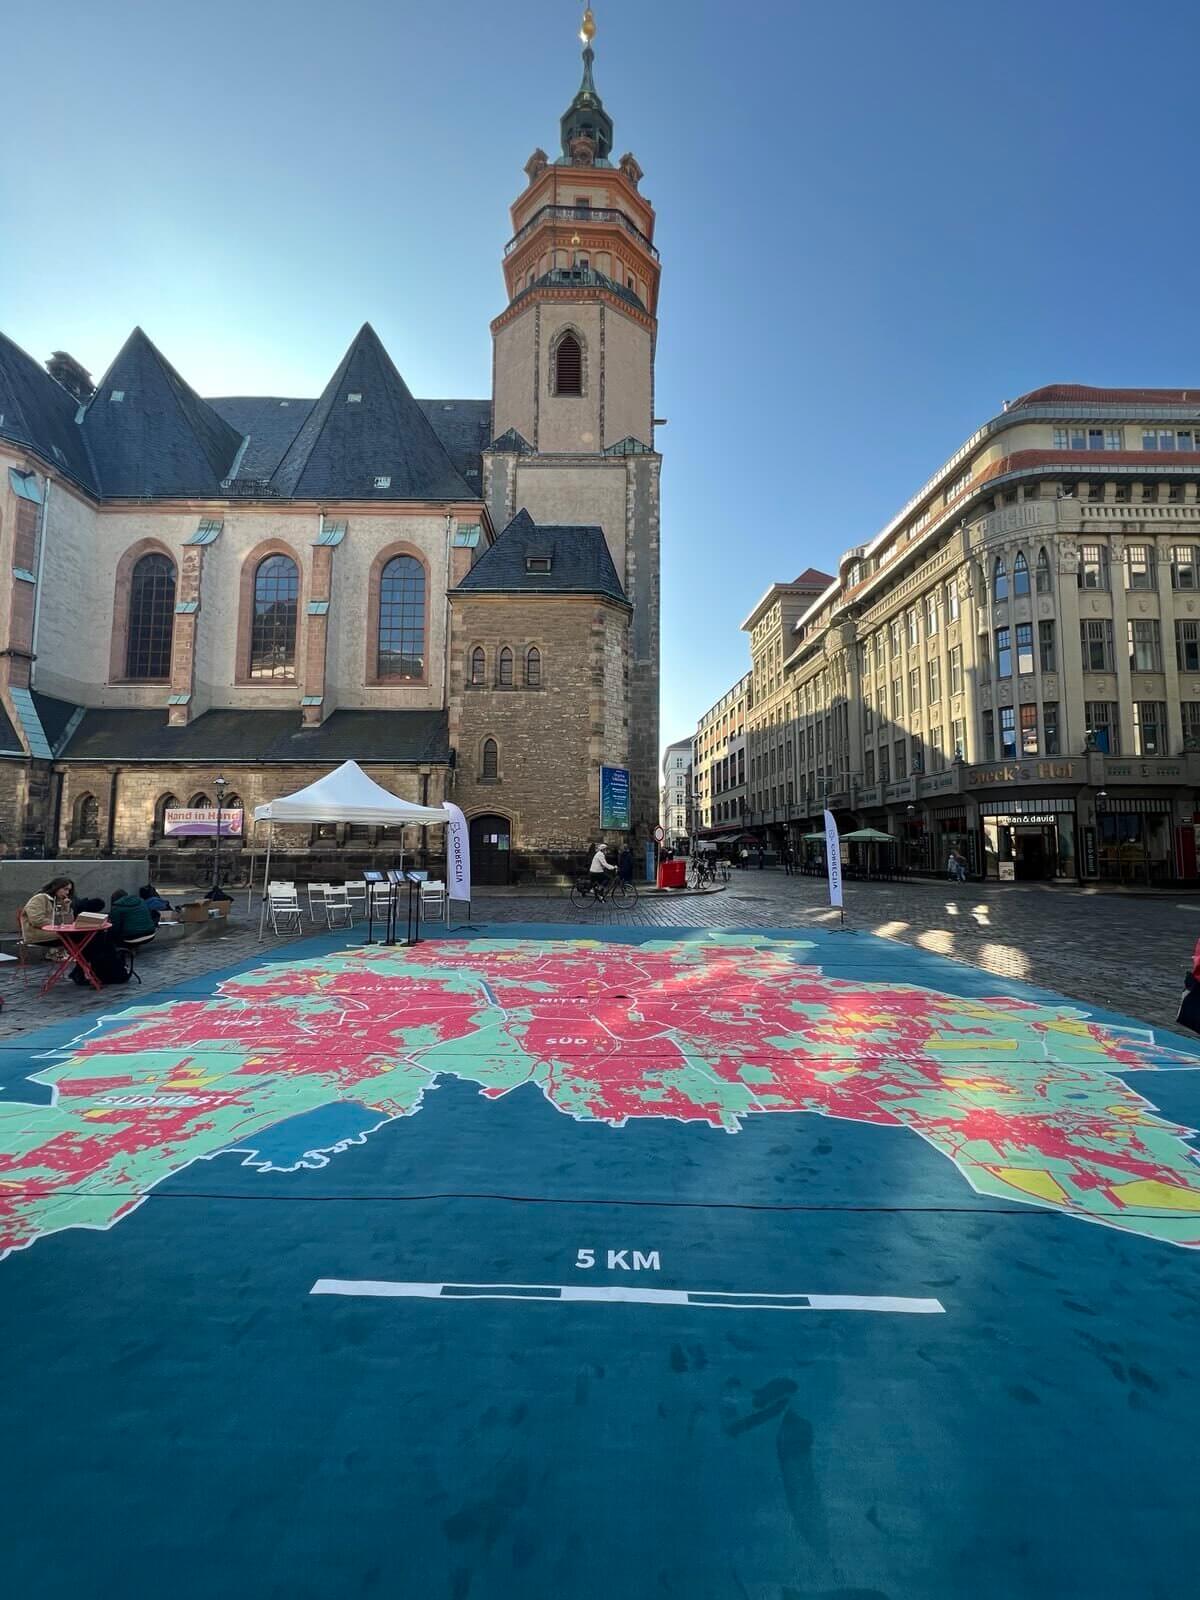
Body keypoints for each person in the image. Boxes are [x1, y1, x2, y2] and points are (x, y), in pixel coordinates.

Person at [20, 877, 75, 949]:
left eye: (69, 890)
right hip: (37, 935)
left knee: (86, 937)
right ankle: (82, 959)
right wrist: (57, 924)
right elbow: (37, 920)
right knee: (79, 937)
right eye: (65, 889)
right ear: (56, 887)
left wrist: (66, 907)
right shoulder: (40, 898)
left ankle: (81, 959)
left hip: (55, 933)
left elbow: (68, 922)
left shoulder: (59, 901)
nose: (67, 893)